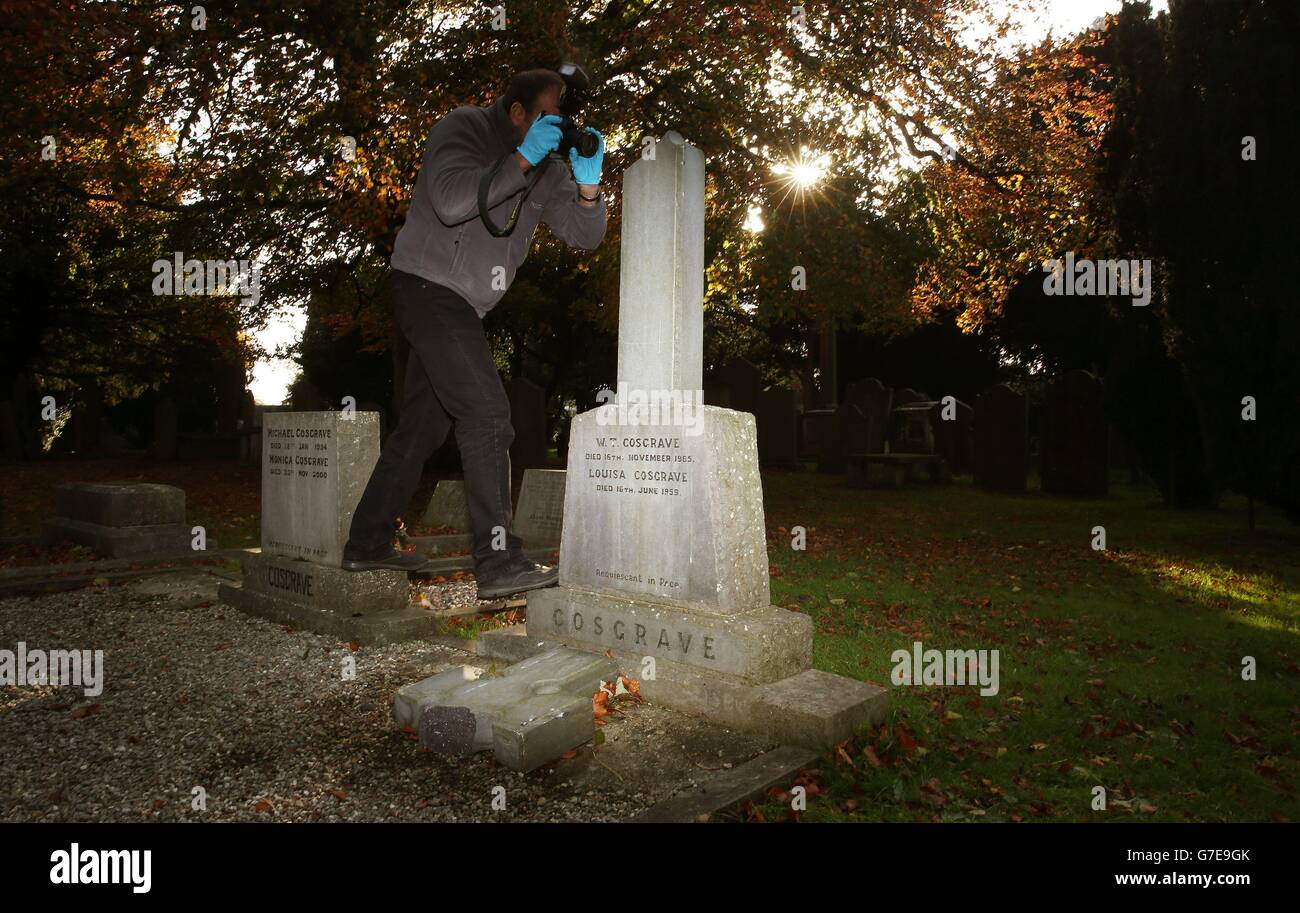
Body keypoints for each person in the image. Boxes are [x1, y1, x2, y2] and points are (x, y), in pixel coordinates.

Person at [341, 68, 607, 601]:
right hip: (425, 287)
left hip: (464, 306)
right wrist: (522, 159)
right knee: (486, 413)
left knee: (420, 429)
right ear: (516, 114)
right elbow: (450, 201)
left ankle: (366, 543)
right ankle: (498, 562)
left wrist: (587, 185)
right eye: (548, 118)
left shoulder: (548, 171)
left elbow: (586, 236)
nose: (557, 129)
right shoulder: (463, 128)